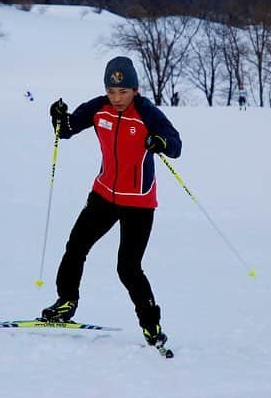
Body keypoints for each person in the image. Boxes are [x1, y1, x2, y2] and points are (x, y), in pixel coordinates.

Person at [41, 56, 182, 348]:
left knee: (128, 267)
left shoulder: (147, 112)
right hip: (103, 194)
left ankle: (151, 324)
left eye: (124, 92)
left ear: (135, 89)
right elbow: (66, 129)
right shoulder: (98, 107)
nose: (117, 98)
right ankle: (66, 302)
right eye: (112, 91)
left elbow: (175, 144)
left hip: (139, 202)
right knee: (76, 246)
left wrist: (160, 142)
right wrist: (57, 117)